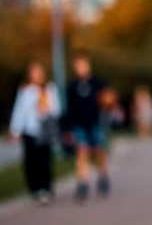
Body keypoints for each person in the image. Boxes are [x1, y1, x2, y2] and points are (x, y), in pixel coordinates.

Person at [8, 63, 61, 205]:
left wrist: (47, 110)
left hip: (45, 131)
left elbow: (56, 109)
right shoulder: (25, 90)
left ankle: (46, 187)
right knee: (31, 162)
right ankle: (35, 188)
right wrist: (15, 130)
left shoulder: (49, 89)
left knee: (45, 161)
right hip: (30, 130)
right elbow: (19, 111)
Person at [65, 51, 110, 202]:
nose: (81, 68)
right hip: (79, 124)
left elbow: (106, 100)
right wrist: (68, 128)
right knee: (82, 152)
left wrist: (108, 103)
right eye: (78, 65)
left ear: (88, 65)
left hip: (96, 122)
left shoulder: (97, 82)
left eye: (83, 65)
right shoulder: (72, 86)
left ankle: (103, 176)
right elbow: (69, 109)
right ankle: (83, 182)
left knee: (99, 151)